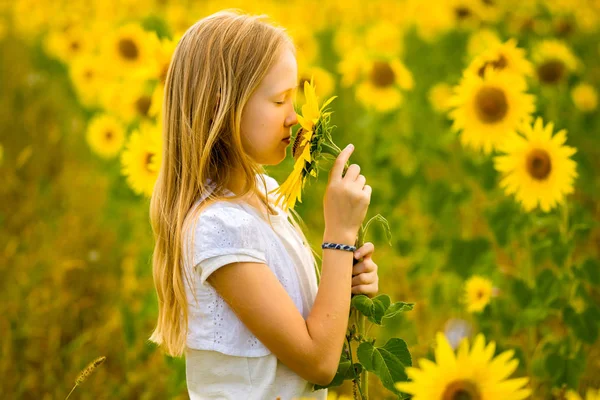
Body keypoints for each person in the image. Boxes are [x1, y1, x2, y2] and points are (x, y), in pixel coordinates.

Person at [148, 9, 379, 400]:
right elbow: (319, 364)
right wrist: (339, 235)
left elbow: (309, 333)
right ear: (225, 106)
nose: (295, 118)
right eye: (279, 101)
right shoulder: (218, 227)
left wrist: (346, 283)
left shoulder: (266, 192)